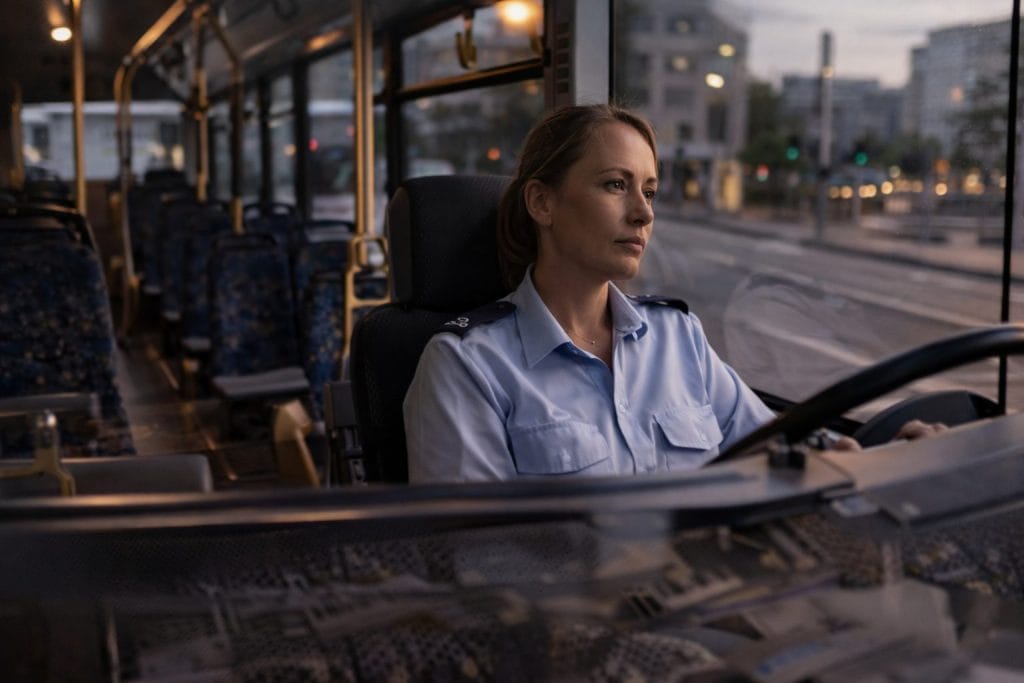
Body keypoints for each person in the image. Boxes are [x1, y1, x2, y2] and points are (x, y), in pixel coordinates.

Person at [402, 103, 781, 483]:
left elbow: (777, 449)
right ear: (541, 203)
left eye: (649, 192)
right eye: (616, 184)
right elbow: (474, 541)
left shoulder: (679, 337)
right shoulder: (468, 366)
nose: (644, 214)